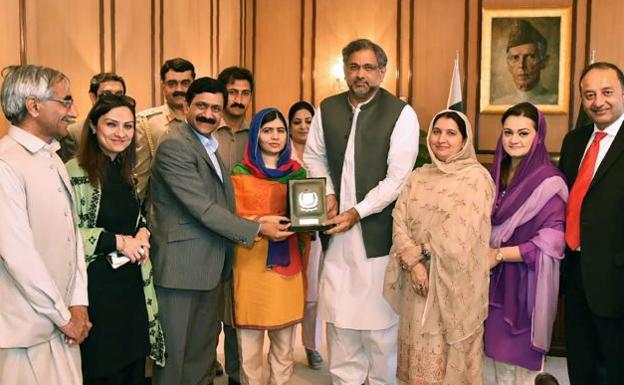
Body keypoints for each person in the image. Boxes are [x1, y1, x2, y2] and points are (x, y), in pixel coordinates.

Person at [149, 77, 292, 385]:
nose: (209, 114)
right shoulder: (175, 144)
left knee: (201, 358)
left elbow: (223, 206)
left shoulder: (209, 145)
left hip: (212, 268)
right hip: (181, 270)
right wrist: (256, 227)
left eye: (216, 108)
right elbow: (202, 208)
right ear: (186, 106)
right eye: (201, 106)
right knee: (175, 360)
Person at [304, 38, 419, 385]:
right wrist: (328, 193)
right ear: (344, 70)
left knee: (381, 336)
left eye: (369, 67)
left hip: (378, 238)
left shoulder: (401, 113)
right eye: (354, 66)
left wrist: (357, 211)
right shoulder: (328, 108)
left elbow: (398, 179)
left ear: (382, 72)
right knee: (340, 330)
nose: (361, 74)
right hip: (337, 240)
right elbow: (314, 156)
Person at [383, 110, 494, 385]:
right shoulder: (419, 175)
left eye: (451, 133)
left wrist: (419, 253)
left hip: (453, 286)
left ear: (464, 140)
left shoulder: (476, 179)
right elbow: (399, 218)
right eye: (436, 131)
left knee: (449, 364)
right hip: (415, 283)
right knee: (416, 362)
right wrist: (414, 264)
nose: (441, 139)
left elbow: (463, 234)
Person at [65, 94, 166, 384]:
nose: (121, 133)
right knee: (103, 371)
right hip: (98, 291)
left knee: (133, 367)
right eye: (111, 124)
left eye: (128, 126)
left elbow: (132, 216)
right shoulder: (74, 171)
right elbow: (65, 236)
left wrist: (143, 230)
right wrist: (120, 242)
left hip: (133, 289)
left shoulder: (125, 170)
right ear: (94, 127)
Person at [0, 64, 91, 385]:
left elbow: (73, 238)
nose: (74, 111)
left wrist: (78, 304)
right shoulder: (5, 163)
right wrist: (64, 316)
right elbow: (17, 255)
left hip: (63, 325)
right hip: (22, 335)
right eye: (65, 101)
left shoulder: (52, 157)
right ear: (34, 105)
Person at [483, 102, 567, 385]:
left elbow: (553, 239)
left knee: (521, 372)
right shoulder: (492, 177)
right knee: (492, 366)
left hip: (525, 284)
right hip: (489, 282)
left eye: (523, 133)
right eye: (508, 132)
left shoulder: (549, 181)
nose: (514, 140)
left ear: (538, 136)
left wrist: (500, 254)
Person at [558, 61, 624, 385]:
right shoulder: (574, 141)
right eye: (589, 95)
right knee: (580, 365)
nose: (598, 101)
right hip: (575, 273)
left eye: (607, 92)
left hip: (617, 278)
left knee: (613, 369)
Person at [231, 107, 308, 385]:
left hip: (287, 264)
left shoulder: (299, 174)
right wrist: (261, 222)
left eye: (280, 130)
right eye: (267, 130)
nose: (275, 137)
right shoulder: (239, 174)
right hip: (250, 264)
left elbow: (309, 215)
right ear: (255, 135)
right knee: (249, 346)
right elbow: (231, 219)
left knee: (284, 344)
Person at [214, 65, 255, 385]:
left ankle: (237, 376)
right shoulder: (207, 132)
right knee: (208, 310)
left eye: (244, 93)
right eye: (232, 92)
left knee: (237, 313)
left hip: (245, 235)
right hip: (208, 231)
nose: (238, 99)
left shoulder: (257, 134)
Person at [288, 100, 324, 369]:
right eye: (297, 121)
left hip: (315, 234)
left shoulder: (321, 154)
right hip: (286, 234)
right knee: (288, 291)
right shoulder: (280, 152)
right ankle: (283, 350)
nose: (303, 126)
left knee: (312, 295)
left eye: (308, 121)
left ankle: (311, 346)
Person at [135, 57, 195, 199]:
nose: (179, 89)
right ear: (163, 86)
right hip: (162, 208)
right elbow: (140, 177)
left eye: (185, 83)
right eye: (172, 84)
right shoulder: (146, 123)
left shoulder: (206, 120)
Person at [58, 72, 126, 162]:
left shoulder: (130, 131)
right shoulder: (73, 133)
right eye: (106, 94)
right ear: (93, 97)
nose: (113, 99)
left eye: (119, 95)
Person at [492, 19, 557, 105]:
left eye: (530, 57)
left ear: (544, 62)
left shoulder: (555, 103)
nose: (521, 65)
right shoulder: (498, 104)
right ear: (508, 64)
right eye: (515, 58)